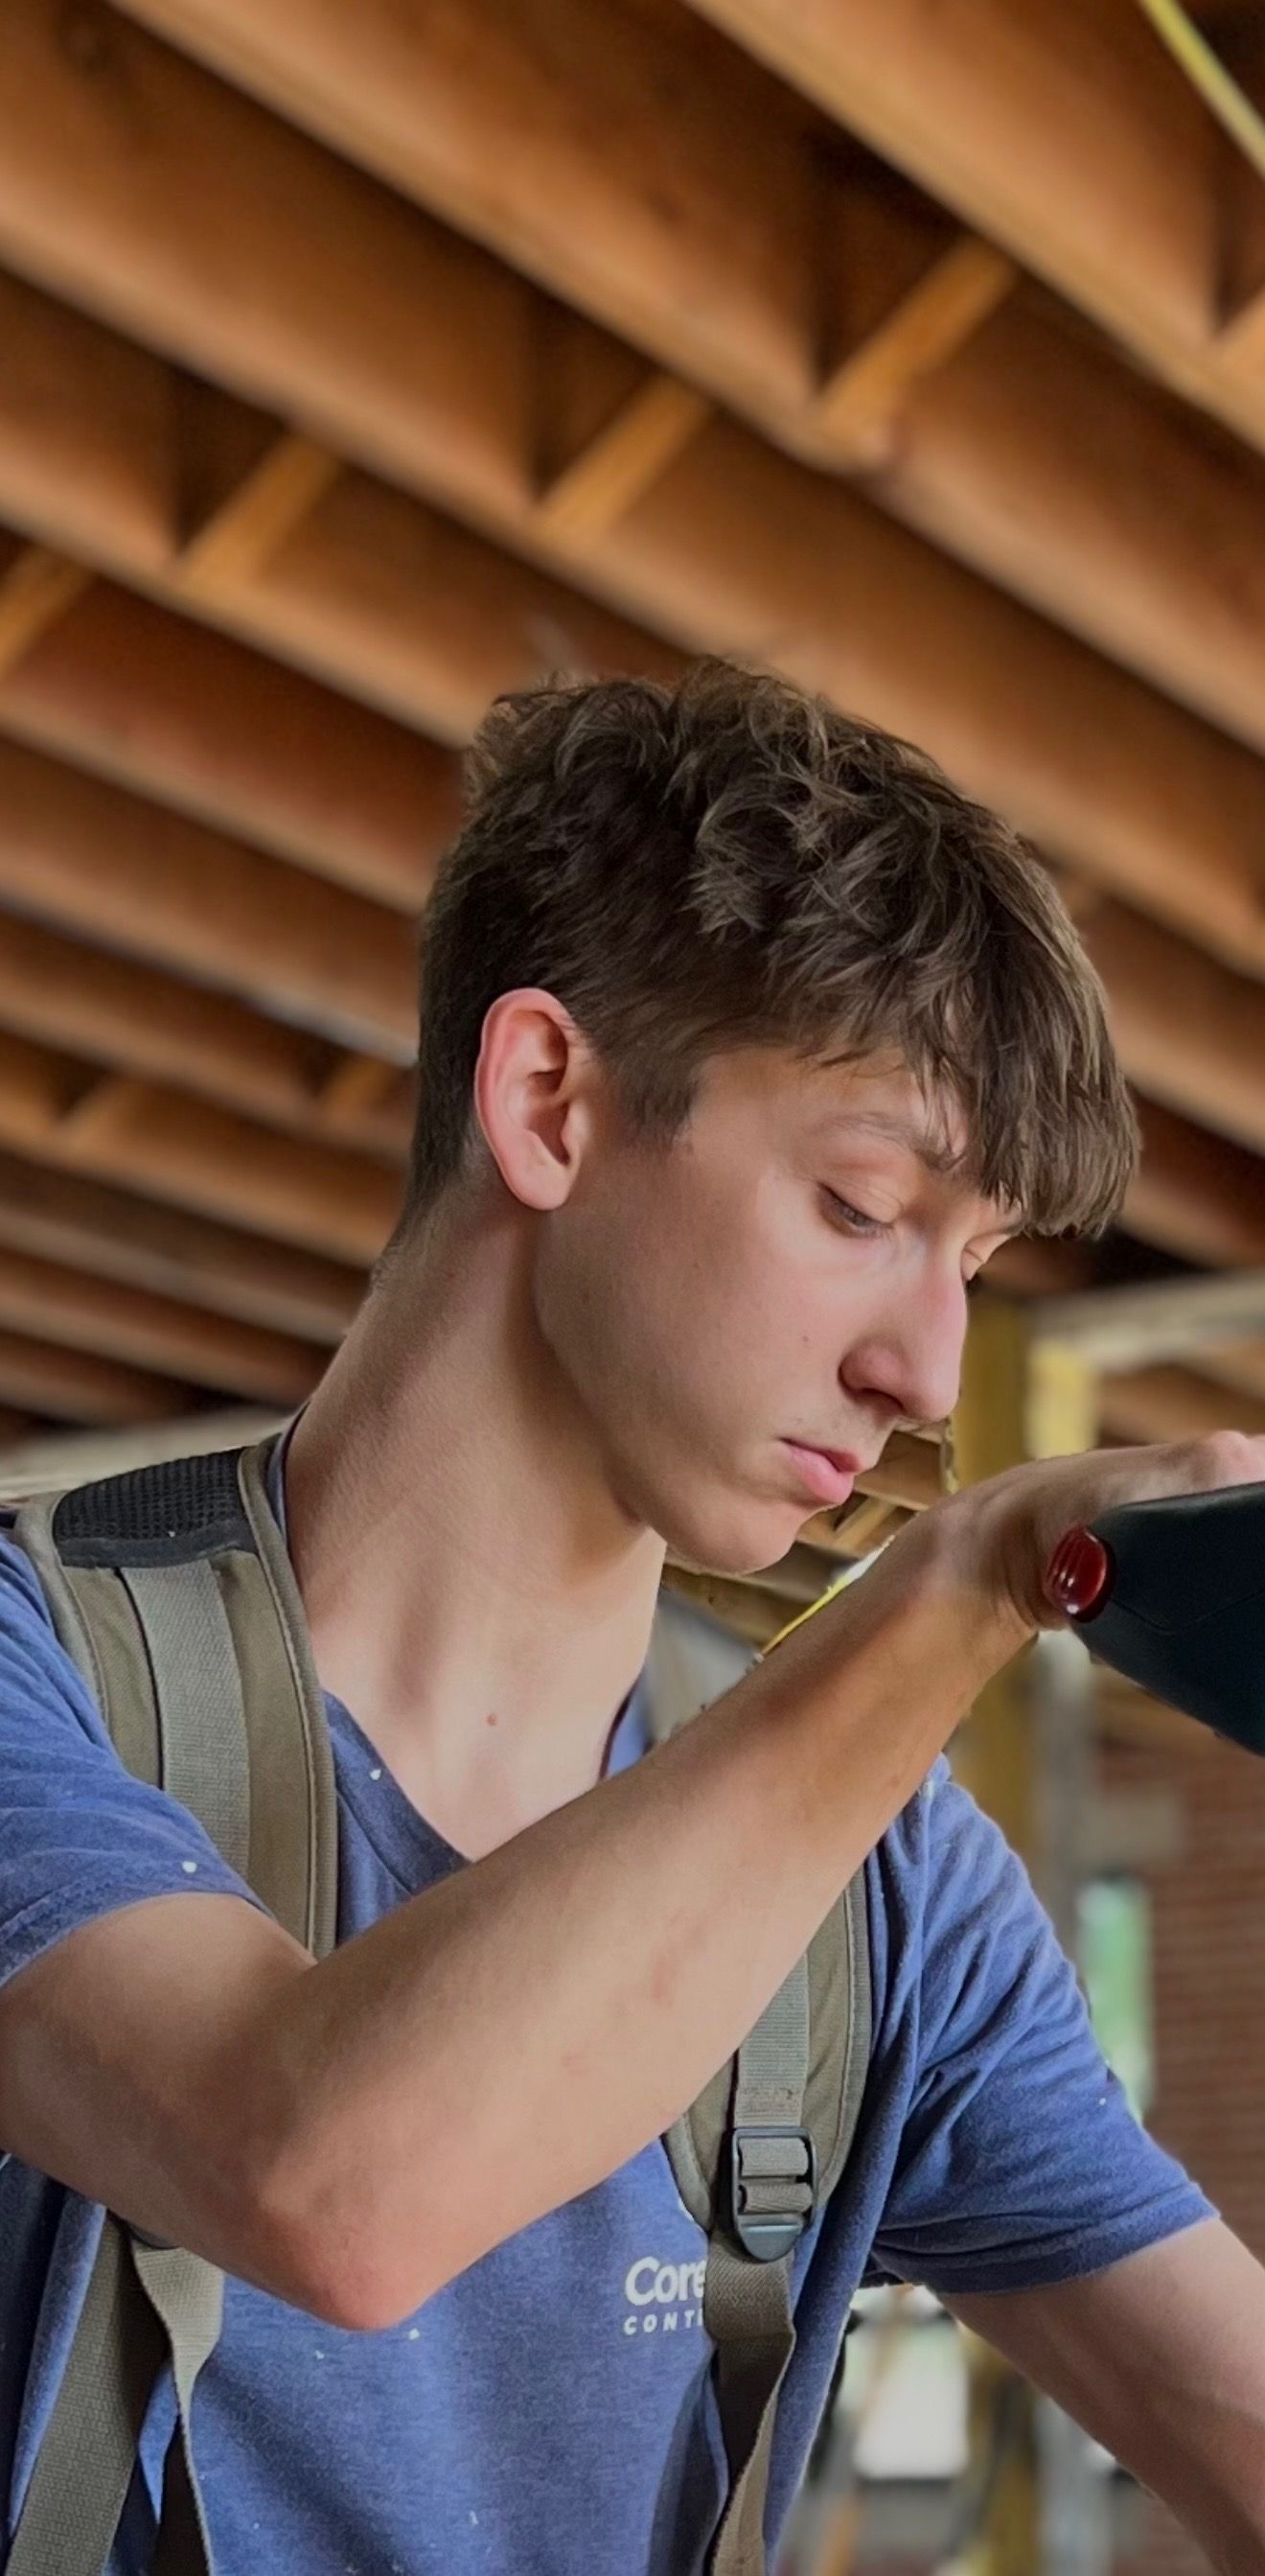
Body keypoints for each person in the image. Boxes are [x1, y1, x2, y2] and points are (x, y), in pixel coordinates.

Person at [1, 660, 1263, 2576]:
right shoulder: (45, 1691)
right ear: (548, 1100)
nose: (927, 1372)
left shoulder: (887, 1909)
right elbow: (325, 2180)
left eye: (980, 1263)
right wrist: (959, 1580)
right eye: (860, 1208)